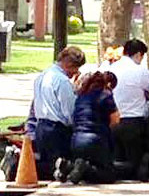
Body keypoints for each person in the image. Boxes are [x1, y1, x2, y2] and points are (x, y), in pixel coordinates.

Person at [54, 72, 120, 184]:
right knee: (108, 175)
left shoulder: (81, 96)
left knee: (87, 168)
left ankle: (70, 166)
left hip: (76, 140)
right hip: (96, 139)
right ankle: (85, 168)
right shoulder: (105, 94)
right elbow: (115, 119)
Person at [33, 46, 86, 180]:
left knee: (47, 165)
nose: (76, 72)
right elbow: (69, 110)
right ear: (69, 64)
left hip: (41, 125)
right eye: (76, 68)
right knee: (60, 165)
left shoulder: (42, 76)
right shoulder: (62, 81)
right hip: (57, 129)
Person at [110, 39, 149, 179]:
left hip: (113, 119)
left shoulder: (111, 68)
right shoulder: (140, 71)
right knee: (134, 160)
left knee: (117, 156)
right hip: (133, 121)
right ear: (138, 54)